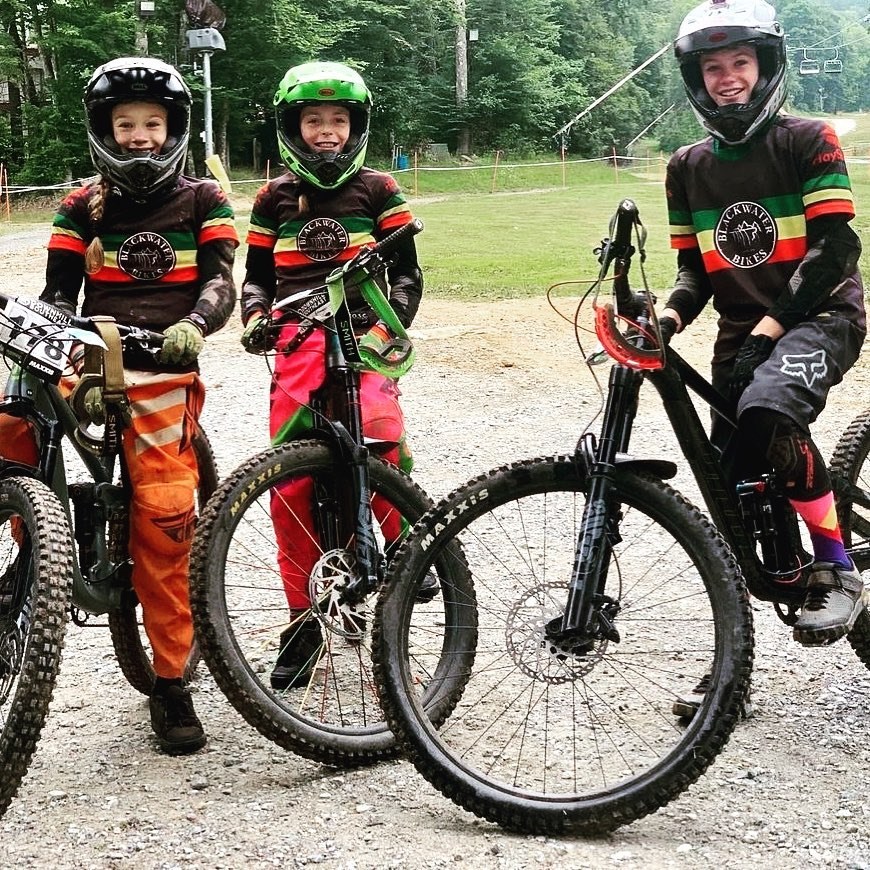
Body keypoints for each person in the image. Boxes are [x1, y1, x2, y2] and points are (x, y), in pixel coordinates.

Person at [660, 0, 866, 671]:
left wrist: (772, 328)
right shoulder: (686, 167)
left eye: (740, 62)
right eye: (713, 68)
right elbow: (694, 272)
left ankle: (837, 567)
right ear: (697, 79)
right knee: (732, 498)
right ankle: (732, 670)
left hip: (820, 317)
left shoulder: (808, 140)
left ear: (766, 65)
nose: (728, 79)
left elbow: (835, 248)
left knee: (769, 410)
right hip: (740, 335)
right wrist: (665, 319)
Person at [38, 57, 237, 752]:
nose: (141, 137)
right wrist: (71, 350)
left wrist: (197, 325)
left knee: (164, 513)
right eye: (125, 125)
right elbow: (57, 296)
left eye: (153, 123)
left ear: (174, 128)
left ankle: (172, 679)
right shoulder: (78, 205)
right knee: (13, 422)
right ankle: (35, 560)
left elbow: (220, 282)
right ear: (105, 131)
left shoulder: (204, 199)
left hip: (163, 367)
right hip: (93, 357)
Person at [240, 61, 431, 690]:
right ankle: (301, 620)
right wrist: (256, 318)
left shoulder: (379, 190)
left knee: (383, 438)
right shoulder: (272, 198)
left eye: (339, 120)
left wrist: (390, 326)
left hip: (365, 338)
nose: (327, 131)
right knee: (289, 481)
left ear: (357, 126)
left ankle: (404, 547)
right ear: (292, 126)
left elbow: (407, 273)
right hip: (297, 342)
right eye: (314, 120)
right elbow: (257, 278)